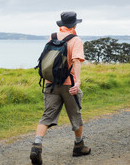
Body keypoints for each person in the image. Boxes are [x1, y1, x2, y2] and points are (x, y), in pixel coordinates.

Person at [30, 11, 91, 165]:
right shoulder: (76, 40)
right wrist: (77, 83)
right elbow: (76, 61)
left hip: (51, 83)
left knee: (46, 116)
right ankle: (79, 146)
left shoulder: (53, 36)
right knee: (75, 116)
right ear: (74, 24)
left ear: (62, 24)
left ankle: (36, 146)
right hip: (69, 84)